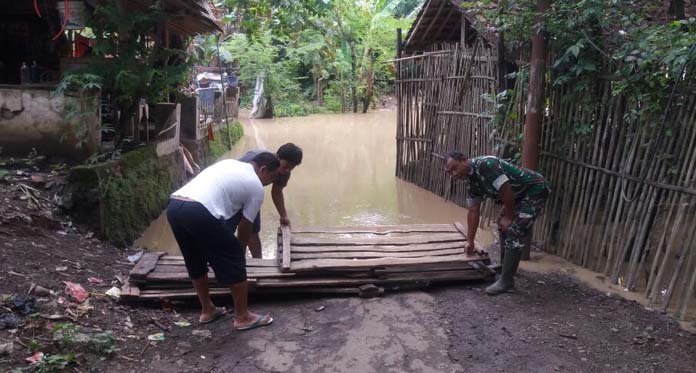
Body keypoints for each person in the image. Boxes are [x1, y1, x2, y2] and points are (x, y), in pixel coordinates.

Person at [166, 152, 279, 330]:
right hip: (199, 210)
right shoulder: (256, 186)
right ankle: (242, 317)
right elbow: (245, 226)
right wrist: (238, 257)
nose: (269, 183)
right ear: (263, 169)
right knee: (234, 256)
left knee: (195, 260)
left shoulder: (230, 164)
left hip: (175, 206)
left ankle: (207, 310)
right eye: (271, 178)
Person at [444, 152, 551, 296]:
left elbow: (505, 189)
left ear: (464, 160)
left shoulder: (486, 165)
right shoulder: (472, 182)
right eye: (450, 172)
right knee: (501, 224)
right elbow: (473, 211)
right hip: (517, 195)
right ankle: (504, 265)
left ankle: (507, 282)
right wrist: (470, 241)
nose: (454, 174)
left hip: (535, 190)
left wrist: (509, 216)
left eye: (455, 168)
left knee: (514, 229)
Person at [229, 143, 303, 258]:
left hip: (252, 194)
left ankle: (258, 263)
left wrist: (283, 216)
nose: (286, 171)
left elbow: (277, 192)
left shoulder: (285, 173)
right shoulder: (254, 160)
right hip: (233, 190)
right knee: (229, 228)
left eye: (290, 168)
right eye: (285, 166)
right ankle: (236, 261)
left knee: (253, 232)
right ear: (278, 157)